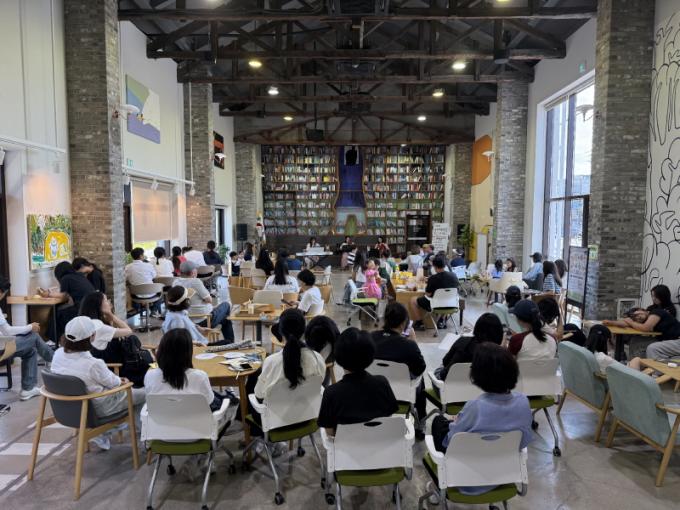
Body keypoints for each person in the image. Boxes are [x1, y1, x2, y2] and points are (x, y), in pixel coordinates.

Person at [430, 343, 533, 498]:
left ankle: (439, 483)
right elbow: (523, 442)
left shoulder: (475, 406)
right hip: (502, 475)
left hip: (463, 477)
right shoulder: (523, 402)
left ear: (479, 375)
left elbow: (450, 441)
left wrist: (456, 423)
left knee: (438, 421)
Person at [51, 316, 146, 450]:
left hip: (69, 408)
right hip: (99, 409)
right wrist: (123, 381)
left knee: (129, 394)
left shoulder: (57, 354)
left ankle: (112, 429)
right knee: (145, 394)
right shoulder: (93, 364)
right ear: (92, 337)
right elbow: (115, 384)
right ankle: (145, 436)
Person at [317, 328, 398, 436]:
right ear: (370, 355)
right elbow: (389, 417)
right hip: (380, 443)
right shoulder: (382, 383)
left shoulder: (331, 393)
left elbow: (330, 433)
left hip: (346, 446)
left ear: (338, 356)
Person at [371, 302, 426, 431]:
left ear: (385, 320)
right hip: (402, 393)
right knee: (421, 380)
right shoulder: (408, 345)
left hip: (374, 391)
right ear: (403, 323)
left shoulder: (370, 338)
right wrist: (414, 342)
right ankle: (420, 422)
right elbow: (420, 368)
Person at [0, 275, 55, 400]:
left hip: (2, 345)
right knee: (34, 336)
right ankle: (54, 360)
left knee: (30, 350)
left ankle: (28, 389)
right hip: (1, 349)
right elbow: (8, 331)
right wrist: (30, 327)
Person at [145, 328, 218, 406]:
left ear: (161, 350)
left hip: (161, 413)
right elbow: (209, 402)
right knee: (218, 398)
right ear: (188, 352)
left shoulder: (150, 375)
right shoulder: (200, 376)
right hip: (195, 413)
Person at [174, 261, 234, 344]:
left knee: (225, 319)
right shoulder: (195, 281)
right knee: (226, 305)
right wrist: (204, 301)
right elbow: (209, 300)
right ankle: (231, 344)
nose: (197, 271)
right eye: (196, 269)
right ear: (192, 272)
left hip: (187, 320)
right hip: (204, 320)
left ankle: (230, 343)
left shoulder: (175, 282)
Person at [436, 313, 504, 381]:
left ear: (477, 327)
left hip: (447, 384)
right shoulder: (501, 356)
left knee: (440, 368)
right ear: (500, 333)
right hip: (481, 386)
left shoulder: (463, 341)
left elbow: (445, 361)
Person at [38, 261, 96, 337]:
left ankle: (54, 338)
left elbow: (63, 296)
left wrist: (48, 294)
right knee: (60, 310)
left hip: (82, 309)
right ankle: (56, 337)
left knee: (57, 313)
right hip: (92, 308)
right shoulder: (79, 275)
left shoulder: (66, 278)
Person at [409, 255, 459, 331]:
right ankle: (441, 320)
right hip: (451, 304)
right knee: (446, 297)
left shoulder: (433, 278)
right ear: (444, 265)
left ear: (434, 266)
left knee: (413, 300)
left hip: (435, 305)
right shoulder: (454, 276)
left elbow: (428, 294)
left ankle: (420, 323)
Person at [124, 247, 161, 316]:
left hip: (136, 295)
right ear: (141, 256)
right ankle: (153, 310)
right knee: (160, 293)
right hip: (151, 293)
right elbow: (154, 276)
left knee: (128, 288)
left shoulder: (128, 267)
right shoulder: (149, 265)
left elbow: (125, 279)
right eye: (143, 254)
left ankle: (137, 308)